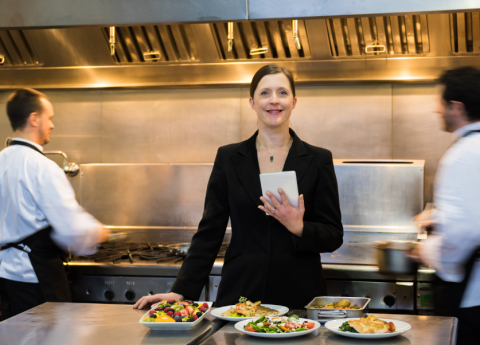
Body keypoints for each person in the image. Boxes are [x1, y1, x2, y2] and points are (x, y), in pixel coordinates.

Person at [134, 64, 343, 310]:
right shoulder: (229, 158)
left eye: (282, 93)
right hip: (240, 297)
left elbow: (333, 235)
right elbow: (210, 231)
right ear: (252, 102)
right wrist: (181, 291)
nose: (274, 100)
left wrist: (299, 227)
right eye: (265, 93)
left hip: (298, 297)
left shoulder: (318, 159)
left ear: (294, 102)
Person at [0, 89, 110, 320]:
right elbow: (71, 230)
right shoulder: (43, 168)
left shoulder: (2, 161)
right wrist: (99, 233)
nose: (52, 125)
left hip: (5, 277)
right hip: (35, 279)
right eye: (49, 118)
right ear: (34, 119)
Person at [414, 67, 480, 345]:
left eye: (441, 103)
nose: (436, 109)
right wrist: (439, 217)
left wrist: (424, 250)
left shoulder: (463, 154)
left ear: (457, 108)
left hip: (472, 300)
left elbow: (462, 234)